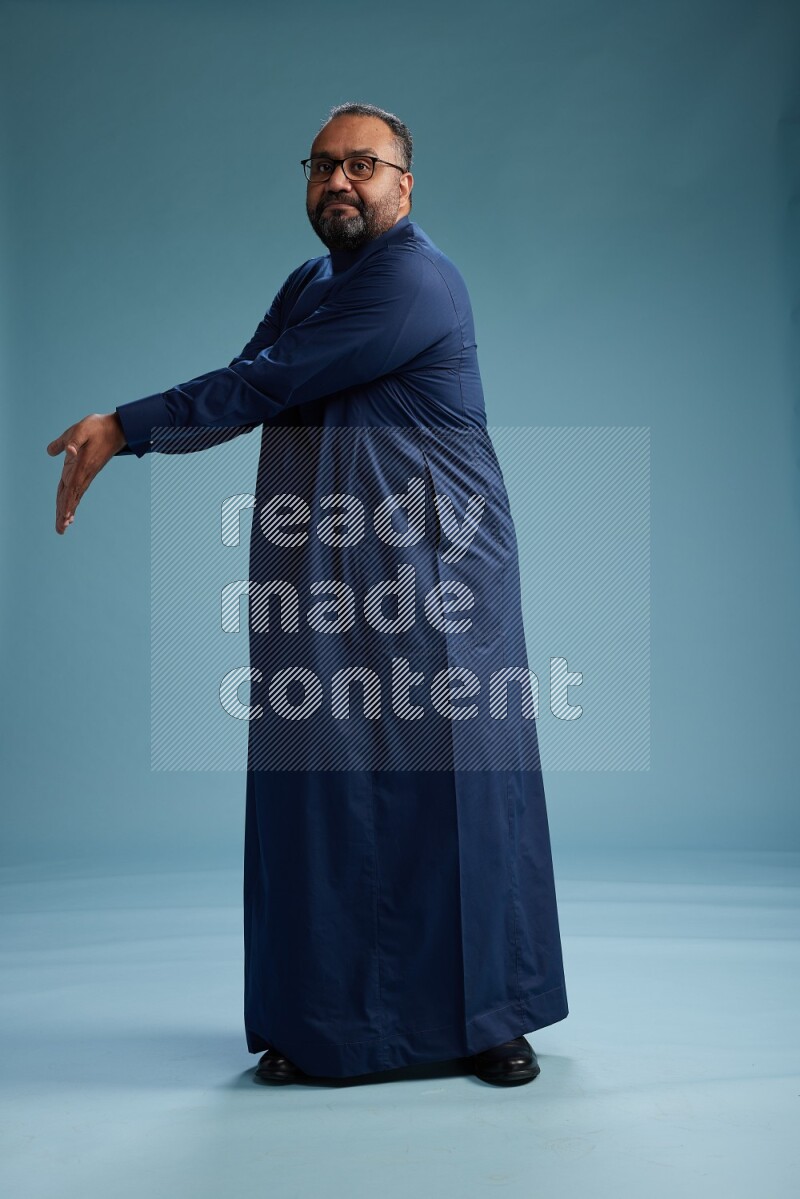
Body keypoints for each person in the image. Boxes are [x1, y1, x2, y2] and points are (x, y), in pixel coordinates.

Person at [46, 102, 568, 1087]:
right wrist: (140, 429)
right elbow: (256, 380)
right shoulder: (309, 279)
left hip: (435, 571)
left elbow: (268, 383)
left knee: (454, 786)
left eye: (362, 165)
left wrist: (126, 425)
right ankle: (320, 1018)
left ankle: (489, 1015)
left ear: (403, 186)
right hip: (322, 569)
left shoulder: (417, 278)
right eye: (322, 165)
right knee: (318, 792)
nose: (338, 181)